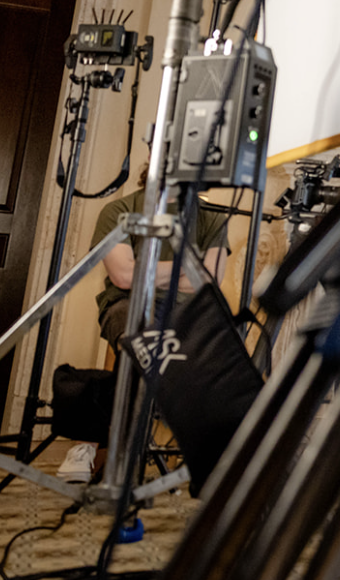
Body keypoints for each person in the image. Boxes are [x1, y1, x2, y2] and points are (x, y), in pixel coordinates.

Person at [58, 171, 231, 484]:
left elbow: (208, 279)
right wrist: (186, 265)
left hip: (187, 312)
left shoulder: (212, 216)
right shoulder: (119, 210)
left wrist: (144, 270)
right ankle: (112, 449)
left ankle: (98, 440)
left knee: (222, 355)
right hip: (128, 303)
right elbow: (123, 277)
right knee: (137, 339)